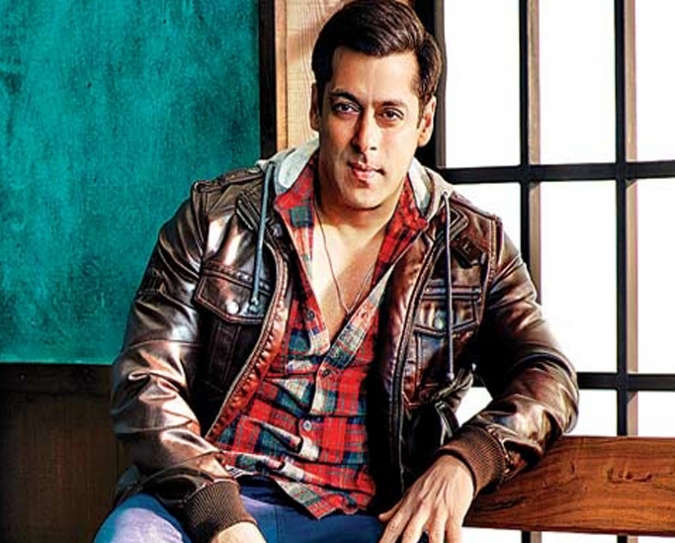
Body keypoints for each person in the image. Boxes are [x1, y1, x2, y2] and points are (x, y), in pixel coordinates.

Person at [93, 1, 578, 542]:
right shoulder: (218, 219)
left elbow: (548, 377)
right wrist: (219, 515)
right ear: (315, 107)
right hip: (199, 500)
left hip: (361, 520)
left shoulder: (469, 249)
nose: (365, 140)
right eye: (347, 107)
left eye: (390, 114)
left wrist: (468, 460)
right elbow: (145, 382)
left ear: (424, 121)